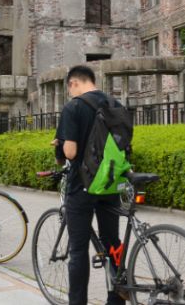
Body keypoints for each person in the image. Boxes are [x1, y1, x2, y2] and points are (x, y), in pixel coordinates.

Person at [55, 65, 124, 305]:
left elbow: (71, 152)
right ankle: (116, 299)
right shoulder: (116, 104)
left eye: (69, 89)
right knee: (112, 241)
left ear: (73, 83)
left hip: (82, 185)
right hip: (111, 182)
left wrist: (61, 143)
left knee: (78, 250)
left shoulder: (73, 107)